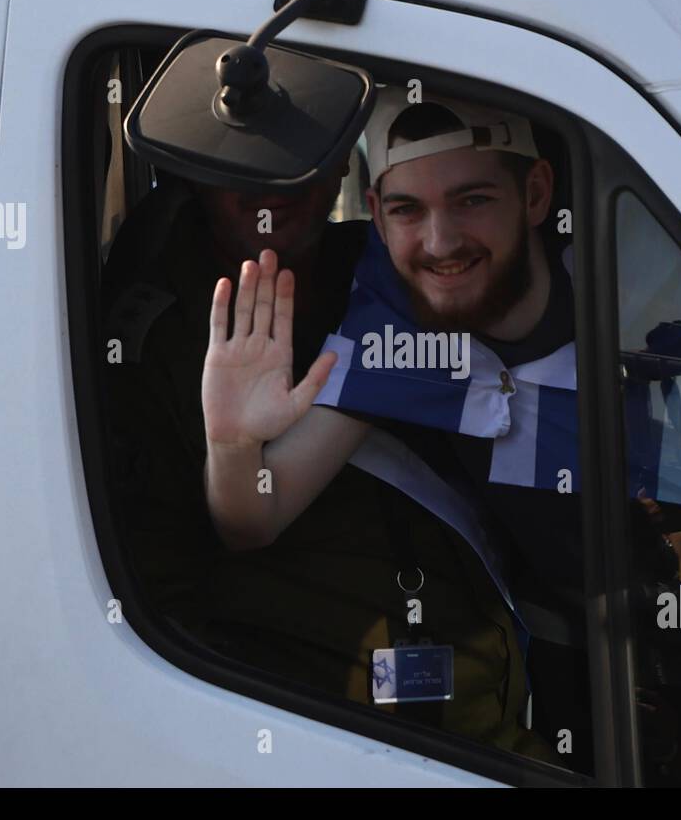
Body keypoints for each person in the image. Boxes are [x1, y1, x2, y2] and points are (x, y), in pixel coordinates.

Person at [201, 89, 601, 768]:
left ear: (536, 195)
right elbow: (254, 516)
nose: (441, 243)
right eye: (407, 210)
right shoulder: (396, 326)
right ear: (379, 223)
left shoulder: (627, 278)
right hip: (577, 657)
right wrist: (233, 443)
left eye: (473, 199)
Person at [102, 164, 546, 760]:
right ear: (197, 170)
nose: (274, 179)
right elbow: (162, 622)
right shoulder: (147, 345)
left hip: (490, 716)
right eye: (241, 154)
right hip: (327, 742)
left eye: (304, 148)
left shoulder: (405, 268)